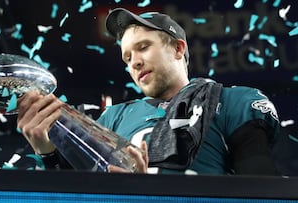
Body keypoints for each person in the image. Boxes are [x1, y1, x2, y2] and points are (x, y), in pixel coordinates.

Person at [17, 8, 281, 175]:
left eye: (143, 47)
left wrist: (151, 192)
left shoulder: (232, 100)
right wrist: (47, 152)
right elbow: (75, 191)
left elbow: (260, 189)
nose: (134, 62)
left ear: (178, 49)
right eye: (127, 57)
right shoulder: (112, 118)